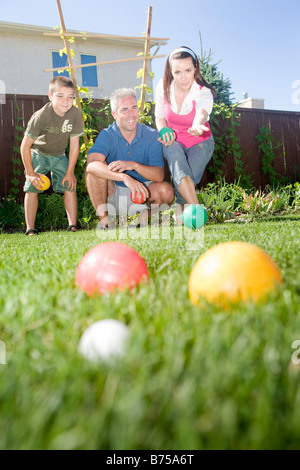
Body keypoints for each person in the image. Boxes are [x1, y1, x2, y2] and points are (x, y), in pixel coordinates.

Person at [85, 88, 174, 229]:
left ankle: (143, 217)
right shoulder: (107, 134)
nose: (131, 114)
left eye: (134, 108)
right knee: (94, 172)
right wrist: (125, 178)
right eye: (124, 110)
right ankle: (105, 223)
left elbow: (159, 175)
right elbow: (91, 165)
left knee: (167, 191)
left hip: (142, 193)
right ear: (114, 114)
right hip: (112, 194)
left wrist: (134, 165)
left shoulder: (151, 135)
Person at [155, 46, 216, 224]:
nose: (183, 77)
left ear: (195, 68)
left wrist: (197, 125)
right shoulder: (163, 86)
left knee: (187, 177)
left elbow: (202, 112)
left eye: (188, 70)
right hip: (173, 140)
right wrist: (162, 129)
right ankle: (197, 213)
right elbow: (159, 115)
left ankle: (180, 207)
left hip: (201, 142)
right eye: (177, 72)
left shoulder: (203, 91)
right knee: (175, 158)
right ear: (170, 71)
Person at [20, 76, 84, 235]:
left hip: (59, 155)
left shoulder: (75, 114)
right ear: (50, 96)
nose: (66, 101)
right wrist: (30, 173)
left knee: (70, 184)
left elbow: (75, 145)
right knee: (32, 188)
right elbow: (25, 146)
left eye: (70, 97)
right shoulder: (41, 115)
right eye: (60, 96)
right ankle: (30, 229)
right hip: (38, 154)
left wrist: (70, 172)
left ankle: (73, 226)